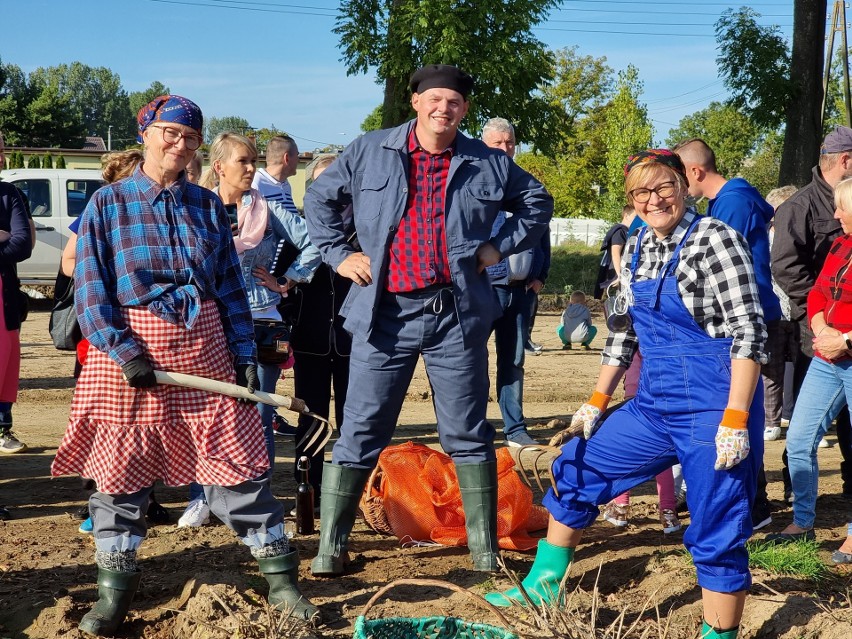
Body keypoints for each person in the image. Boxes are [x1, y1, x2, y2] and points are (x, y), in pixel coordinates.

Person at [50, 95, 318, 635]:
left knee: (238, 468)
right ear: (146, 134)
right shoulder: (107, 204)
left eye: (190, 137)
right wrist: (125, 353)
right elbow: (91, 291)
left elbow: (229, 290)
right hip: (127, 358)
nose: (179, 143)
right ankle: (112, 594)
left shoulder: (204, 206)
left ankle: (283, 582)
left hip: (204, 351)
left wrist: (243, 353)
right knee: (121, 479)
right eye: (169, 132)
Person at [487, 149, 766, 639]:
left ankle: (718, 634)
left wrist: (736, 417)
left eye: (663, 188)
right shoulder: (636, 245)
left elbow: (749, 331)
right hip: (655, 404)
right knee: (576, 466)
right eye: (642, 192)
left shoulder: (714, 239)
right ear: (632, 200)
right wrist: (596, 401)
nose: (654, 199)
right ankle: (544, 583)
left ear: (683, 186)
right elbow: (622, 332)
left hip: (715, 405)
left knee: (716, 523)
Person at [303, 64, 553, 576]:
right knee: (361, 429)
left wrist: (494, 249)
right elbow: (318, 198)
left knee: (466, 430)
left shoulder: (486, 161)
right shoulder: (370, 149)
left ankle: (483, 548)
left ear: (464, 109)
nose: (444, 109)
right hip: (383, 316)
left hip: (454, 317)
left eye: (455, 103)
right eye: (435, 99)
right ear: (415, 102)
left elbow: (536, 202)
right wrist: (337, 255)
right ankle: (332, 549)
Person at [178, 132, 320, 528]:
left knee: (259, 411)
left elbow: (313, 241)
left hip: (262, 320)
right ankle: (201, 497)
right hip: (209, 320)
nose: (252, 168)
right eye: (243, 161)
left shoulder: (266, 208)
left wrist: (286, 279)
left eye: (254, 160)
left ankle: (257, 494)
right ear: (219, 165)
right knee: (207, 411)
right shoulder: (195, 206)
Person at [63, 150, 171, 535]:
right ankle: (100, 502)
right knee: (110, 425)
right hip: (103, 333)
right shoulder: (102, 208)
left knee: (149, 418)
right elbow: (70, 264)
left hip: (147, 336)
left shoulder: (164, 213)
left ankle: (149, 497)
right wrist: (111, 271)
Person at [674, 138, 779, 532]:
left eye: (678, 178)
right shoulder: (726, 201)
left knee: (739, 414)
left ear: (695, 173)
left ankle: (752, 507)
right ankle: (744, 504)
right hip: (736, 321)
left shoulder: (733, 203)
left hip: (744, 323)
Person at [765, 177, 852, 544]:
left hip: (843, 351)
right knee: (799, 439)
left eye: (842, 207)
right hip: (826, 356)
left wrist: (846, 339)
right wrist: (821, 328)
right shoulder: (841, 244)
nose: (834, 214)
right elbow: (817, 291)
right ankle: (802, 522)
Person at [284, 155, 353, 511]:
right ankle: (307, 491)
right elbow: (282, 281)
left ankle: (350, 494)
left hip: (353, 342)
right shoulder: (297, 231)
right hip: (309, 341)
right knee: (311, 419)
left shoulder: (365, 231)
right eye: (326, 183)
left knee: (353, 420)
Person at [482, 117, 550, 447]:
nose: (505, 148)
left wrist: (539, 275)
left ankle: (515, 429)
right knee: (473, 361)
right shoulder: (473, 185)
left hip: (520, 293)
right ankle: (475, 428)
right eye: (498, 143)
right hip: (483, 291)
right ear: (485, 145)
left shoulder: (527, 186)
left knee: (514, 361)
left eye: (510, 143)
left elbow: (541, 230)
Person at [0, 129, 33, 456]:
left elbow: (22, 242)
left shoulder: (8, 194)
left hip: (5, 295)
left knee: (5, 366)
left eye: (1, 150)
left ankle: (2, 427)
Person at [763, 185, 800, 443]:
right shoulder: (762, 239)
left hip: (799, 311)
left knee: (801, 370)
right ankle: (771, 421)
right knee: (772, 370)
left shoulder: (802, 237)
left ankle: (799, 421)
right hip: (774, 312)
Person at [594, 205, 636, 300]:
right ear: (626, 215)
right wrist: (619, 275)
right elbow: (615, 253)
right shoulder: (620, 231)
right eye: (635, 217)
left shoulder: (629, 231)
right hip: (618, 273)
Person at [252, 135, 300, 215]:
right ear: (286, 158)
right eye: (297, 155)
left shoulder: (286, 185)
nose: (298, 160)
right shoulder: (256, 184)